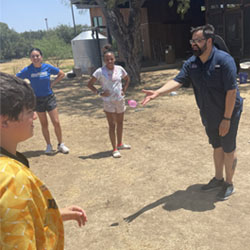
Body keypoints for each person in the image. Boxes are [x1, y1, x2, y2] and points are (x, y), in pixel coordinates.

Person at [142, 24, 243, 201]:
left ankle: (229, 184)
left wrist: (226, 118)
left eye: (198, 40)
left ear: (209, 41)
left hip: (229, 110)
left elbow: (231, 92)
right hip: (209, 111)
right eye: (192, 41)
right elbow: (178, 80)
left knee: (228, 147)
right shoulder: (192, 63)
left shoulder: (224, 60)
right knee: (216, 145)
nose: (194, 44)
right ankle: (218, 179)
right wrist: (158, 92)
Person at [0, 72, 87, 249]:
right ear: (4, 121)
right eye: (29, 111)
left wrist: (54, 214)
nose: (34, 117)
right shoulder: (10, 180)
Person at [16, 48, 69, 155]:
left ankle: (61, 145)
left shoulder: (47, 67)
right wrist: (27, 88)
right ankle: (48, 145)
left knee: (56, 122)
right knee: (44, 124)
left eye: (37, 56)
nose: (35, 58)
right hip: (37, 100)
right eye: (33, 56)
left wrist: (52, 83)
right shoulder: (28, 69)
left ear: (41, 57)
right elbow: (16, 78)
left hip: (49, 98)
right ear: (30, 58)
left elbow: (62, 74)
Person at [87, 46, 131, 158]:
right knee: (112, 125)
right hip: (108, 102)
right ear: (104, 60)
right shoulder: (100, 71)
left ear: (114, 59)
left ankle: (120, 143)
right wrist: (99, 93)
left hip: (119, 100)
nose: (109, 61)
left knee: (120, 123)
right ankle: (114, 149)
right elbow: (89, 84)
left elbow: (127, 79)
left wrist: (124, 90)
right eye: (107, 59)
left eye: (111, 59)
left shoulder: (120, 69)